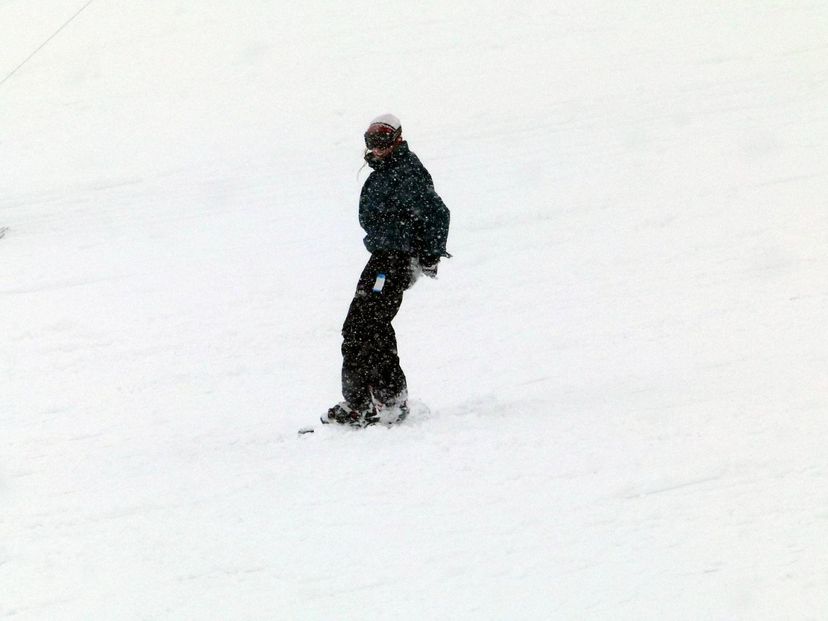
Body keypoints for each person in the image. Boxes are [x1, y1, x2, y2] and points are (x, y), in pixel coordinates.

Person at [324, 114, 451, 427]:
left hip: (395, 260)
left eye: (382, 139)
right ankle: (361, 403)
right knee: (359, 327)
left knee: (370, 325)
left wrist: (428, 256)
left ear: (397, 139)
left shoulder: (406, 171)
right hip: (383, 257)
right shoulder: (385, 171)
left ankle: (388, 402)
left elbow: (437, 213)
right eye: (371, 140)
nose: (376, 147)